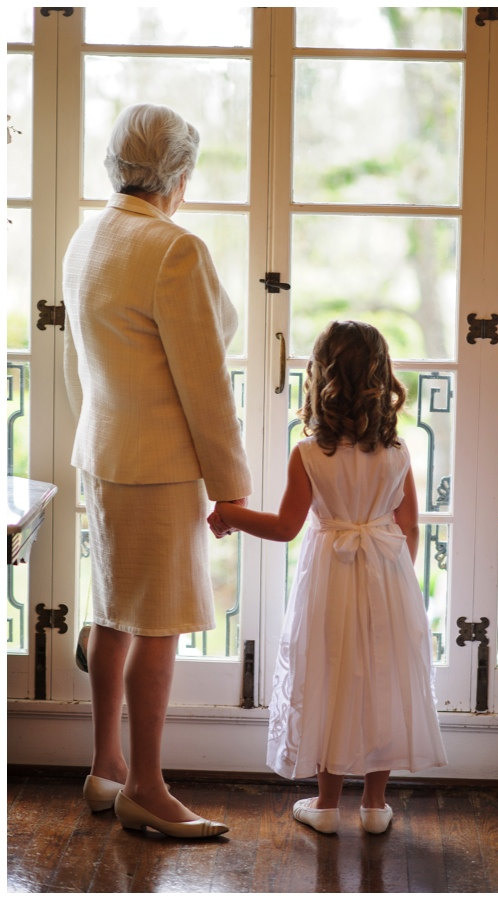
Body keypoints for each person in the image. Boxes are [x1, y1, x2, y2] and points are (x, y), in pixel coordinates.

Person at [63, 102, 248, 838]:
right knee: (159, 625)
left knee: (112, 611)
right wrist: (231, 488)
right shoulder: (175, 249)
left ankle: (105, 767)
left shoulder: (87, 237)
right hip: (160, 467)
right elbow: (206, 384)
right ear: (178, 175)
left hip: (103, 452)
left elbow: (84, 365)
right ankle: (145, 788)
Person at [213, 320, 447, 835]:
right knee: (382, 679)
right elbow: (410, 527)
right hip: (387, 579)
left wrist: (230, 514)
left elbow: (284, 527)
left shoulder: (309, 454)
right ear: (381, 379)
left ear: (321, 378)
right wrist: (396, 581)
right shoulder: (397, 452)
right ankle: (375, 806)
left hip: (330, 583)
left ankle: (325, 804)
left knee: (328, 674)